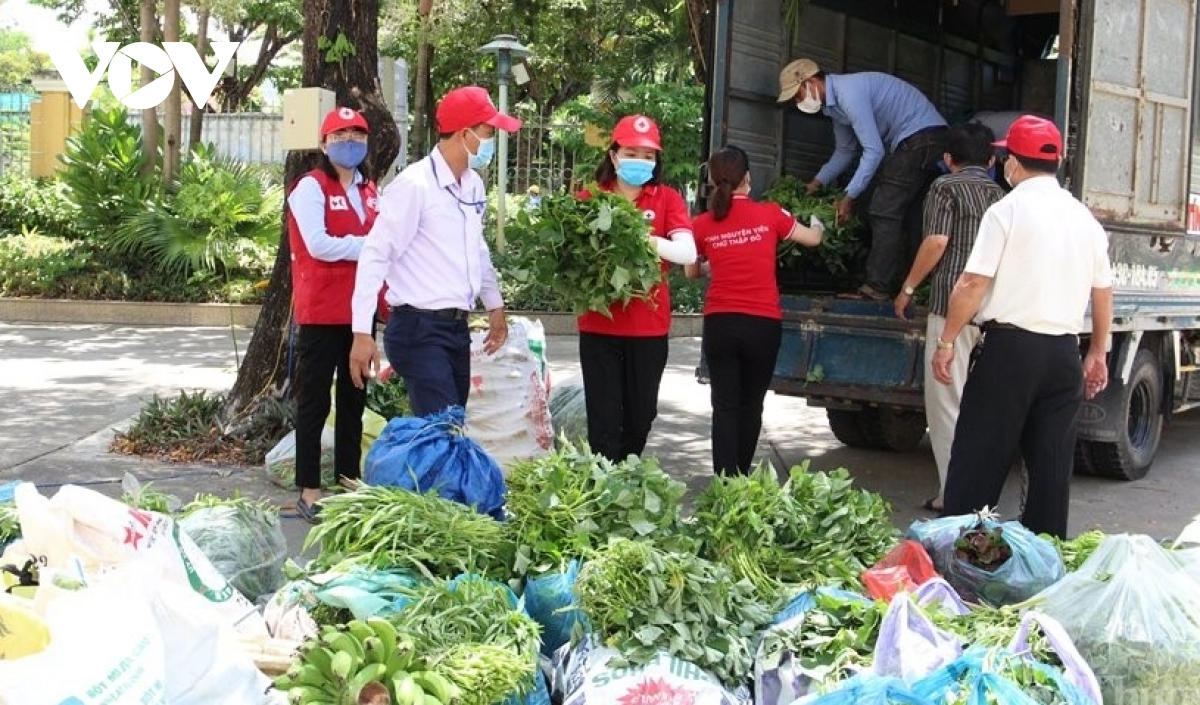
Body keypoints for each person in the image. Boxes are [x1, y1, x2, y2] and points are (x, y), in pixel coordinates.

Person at [932, 115, 1113, 538]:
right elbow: (1103, 291)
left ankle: (962, 558)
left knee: (978, 460)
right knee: (1050, 471)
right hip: (1062, 357)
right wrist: (1098, 353)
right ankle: (1044, 559)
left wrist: (946, 341)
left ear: (1011, 161)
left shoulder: (1007, 210)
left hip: (1009, 354)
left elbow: (973, 282)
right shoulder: (1083, 218)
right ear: (1058, 161)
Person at [348, 86, 519, 418]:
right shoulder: (415, 186)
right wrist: (360, 333)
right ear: (465, 133)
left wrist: (495, 306)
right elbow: (375, 255)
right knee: (443, 431)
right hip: (418, 329)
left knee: (450, 428)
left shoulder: (473, 185)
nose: (493, 140)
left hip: (455, 329)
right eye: (488, 131)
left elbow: (477, 249)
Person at [686, 145, 823, 475]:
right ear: (748, 177)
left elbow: (691, 272)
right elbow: (813, 240)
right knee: (751, 406)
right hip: (762, 325)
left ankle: (723, 482)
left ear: (712, 180)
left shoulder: (701, 224)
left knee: (724, 406)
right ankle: (740, 479)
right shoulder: (771, 214)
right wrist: (818, 224)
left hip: (720, 323)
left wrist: (720, 259)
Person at [894, 122, 1006, 512]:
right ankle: (979, 492)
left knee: (947, 404)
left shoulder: (944, 187)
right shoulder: (1000, 195)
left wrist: (908, 287)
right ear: (992, 161)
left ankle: (953, 494)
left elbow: (937, 241)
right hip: (992, 311)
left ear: (947, 160)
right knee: (982, 406)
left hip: (949, 307)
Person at [577, 114, 697, 462]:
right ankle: (605, 492)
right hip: (600, 326)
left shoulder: (667, 199)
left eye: (648, 155)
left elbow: (687, 252)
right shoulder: (591, 198)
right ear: (613, 156)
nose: (640, 161)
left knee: (640, 419)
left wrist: (640, 237)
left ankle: (627, 474)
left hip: (648, 327)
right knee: (603, 422)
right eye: (631, 152)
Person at [777, 58, 948, 300]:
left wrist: (849, 196)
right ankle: (914, 284)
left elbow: (874, 151)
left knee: (882, 210)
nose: (798, 101)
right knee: (912, 216)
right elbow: (845, 152)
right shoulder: (834, 109)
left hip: (922, 138)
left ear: (812, 81)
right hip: (926, 139)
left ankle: (877, 287)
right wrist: (816, 183)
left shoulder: (849, 94)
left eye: (798, 94)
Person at [286, 106, 379, 523]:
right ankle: (310, 489)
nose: (351, 141)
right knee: (315, 401)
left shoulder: (370, 189)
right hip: (322, 311)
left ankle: (348, 480)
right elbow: (319, 244)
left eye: (358, 134)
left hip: (361, 311)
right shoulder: (310, 187)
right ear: (323, 143)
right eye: (341, 134)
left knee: (355, 398)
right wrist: (370, 248)